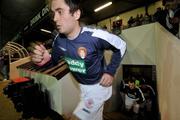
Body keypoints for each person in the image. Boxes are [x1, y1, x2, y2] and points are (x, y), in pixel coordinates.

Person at [30, 0, 126, 120]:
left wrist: (110, 72)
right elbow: (52, 63)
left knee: (77, 118)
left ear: (76, 14)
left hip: (99, 87)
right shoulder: (58, 41)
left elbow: (121, 45)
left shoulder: (95, 37)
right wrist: (42, 62)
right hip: (83, 87)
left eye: (60, 12)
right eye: (53, 14)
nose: (54, 18)